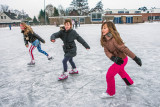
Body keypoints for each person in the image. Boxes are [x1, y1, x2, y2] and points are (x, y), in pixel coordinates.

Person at [100, 21, 142, 98]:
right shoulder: (104, 39)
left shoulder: (115, 39)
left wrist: (135, 58)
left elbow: (124, 49)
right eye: (102, 28)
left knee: (109, 75)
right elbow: (106, 51)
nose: (102, 29)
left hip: (122, 59)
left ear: (110, 29)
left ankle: (111, 92)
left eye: (105, 28)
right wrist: (113, 58)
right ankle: (130, 82)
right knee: (121, 71)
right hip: (117, 59)